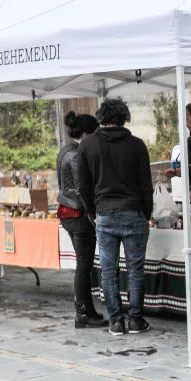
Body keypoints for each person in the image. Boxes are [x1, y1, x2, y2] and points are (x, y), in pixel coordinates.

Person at [77, 98, 154, 336]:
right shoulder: (137, 145)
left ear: (101, 117)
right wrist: (147, 213)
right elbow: (146, 186)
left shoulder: (87, 145)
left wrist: (92, 211)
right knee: (135, 269)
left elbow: (83, 186)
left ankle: (115, 321)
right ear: (124, 118)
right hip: (133, 212)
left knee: (108, 271)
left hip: (104, 213)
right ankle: (135, 320)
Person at [57, 111, 106, 329]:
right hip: (78, 214)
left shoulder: (65, 150)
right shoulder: (77, 155)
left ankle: (86, 311)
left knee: (82, 264)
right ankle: (83, 313)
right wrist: (94, 215)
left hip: (68, 212)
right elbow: (82, 190)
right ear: (86, 134)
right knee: (84, 265)